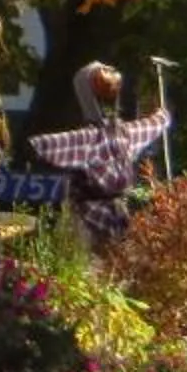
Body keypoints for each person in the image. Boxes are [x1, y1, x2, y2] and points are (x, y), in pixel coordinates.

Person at [27, 61, 172, 248]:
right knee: (108, 259)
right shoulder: (119, 135)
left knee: (99, 259)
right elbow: (155, 124)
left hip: (99, 219)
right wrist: (162, 116)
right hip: (103, 218)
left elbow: (41, 146)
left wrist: (161, 117)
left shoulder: (96, 138)